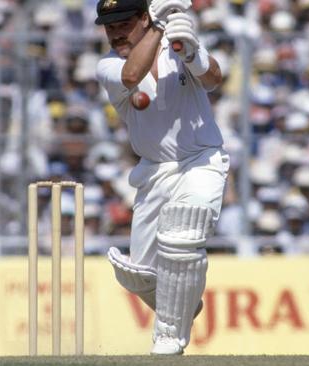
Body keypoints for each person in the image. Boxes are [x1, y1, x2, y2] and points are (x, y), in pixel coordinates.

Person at [95, 0, 229, 355]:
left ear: (142, 17)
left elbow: (214, 80)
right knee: (136, 274)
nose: (115, 32)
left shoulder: (175, 47)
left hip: (201, 159)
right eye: (109, 26)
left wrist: (194, 53)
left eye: (124, 22)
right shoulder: (108, 65)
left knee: (183, 234)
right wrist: (160, 25)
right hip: (155, 172)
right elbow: (130, 76)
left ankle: (168, 338)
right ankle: (183, 303)